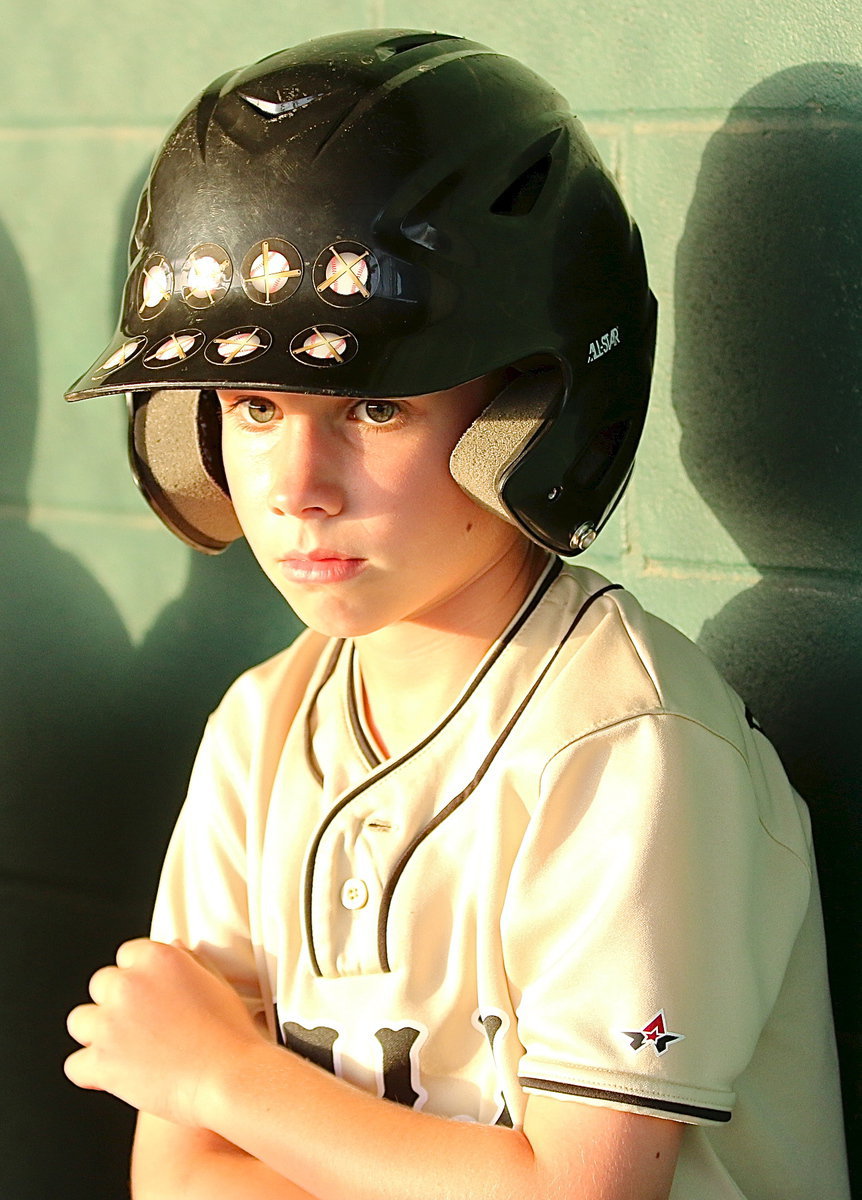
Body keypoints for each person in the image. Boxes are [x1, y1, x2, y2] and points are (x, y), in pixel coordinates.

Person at [63, 29, 850, 1200]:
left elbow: (578, 1192)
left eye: (374, 405)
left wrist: (227, 1079)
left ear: (529, 413)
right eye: (253, 403)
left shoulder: (623, 751)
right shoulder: (256, 732)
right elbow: (176, 1180)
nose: (295, 485)